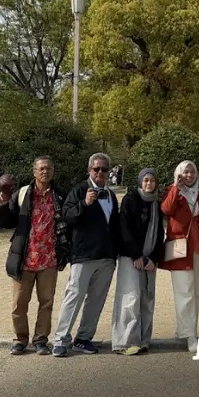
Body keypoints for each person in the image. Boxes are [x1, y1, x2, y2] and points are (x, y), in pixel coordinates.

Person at [0, 157, 70, 355]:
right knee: (19, 304)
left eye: (49, 168)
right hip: (24, 258)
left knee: (46, 302)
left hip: (49, 258)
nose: (45, 172)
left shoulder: (60, 195)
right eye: (41, 168)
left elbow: (69, 224)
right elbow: (6, 221)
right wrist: (1, 202)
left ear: (53, 171)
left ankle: (40, 340)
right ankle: (20, 340)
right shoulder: (23, 194)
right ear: (34, 171)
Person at [53, 153, 120, 357]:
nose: (100, 172)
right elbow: (67, 216)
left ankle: (83, 338)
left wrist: (114, 253)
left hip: (106, 257)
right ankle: (61, 339)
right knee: (73, 297)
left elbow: (114, 226)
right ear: (89, 170)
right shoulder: (79, 190)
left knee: (96, 300)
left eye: (104, 169)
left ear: (109, 172)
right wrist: (84, 203)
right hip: (83, 255)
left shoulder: (110, 195)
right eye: (96, 169)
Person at [160, 160, 199, 351]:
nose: (189, 175)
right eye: (185, 172)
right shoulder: (173, 191)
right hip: (181, 249)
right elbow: (166, 209)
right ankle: (191, 334)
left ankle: (183, 327)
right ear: (179, 174)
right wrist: (176, 186)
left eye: (192, 172)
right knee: (184, 294)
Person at [111, 168, 165, 355]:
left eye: (152, 180)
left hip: (149, 259)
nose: (149, 184)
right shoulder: (130, 200)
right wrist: (136, 255)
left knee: (147, 298)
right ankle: (125, 341)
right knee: (130, 298)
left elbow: (159, 234)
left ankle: (143, 339)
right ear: (140, 182)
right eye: (146, 180)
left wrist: (154, 258)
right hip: (131, 257)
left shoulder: (156, 204)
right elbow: (124, 228)